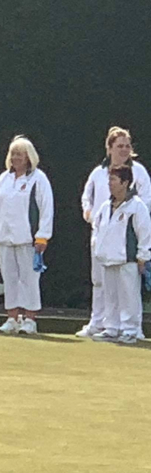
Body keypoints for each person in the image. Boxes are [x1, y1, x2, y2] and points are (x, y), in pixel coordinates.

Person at [77, 127, 151, 337]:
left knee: (127, 288)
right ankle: (101, 324)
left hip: (126, 239)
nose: (125, 150)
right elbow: (87, 197)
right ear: (109, 148)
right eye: (120, 146)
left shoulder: (139, 173)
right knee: (100, 283)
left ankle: (131, 329)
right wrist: (90, 214)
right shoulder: (98, 173)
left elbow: (145, 203)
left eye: (127, 146)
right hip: (101, 238)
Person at [0, 135, 54, 335]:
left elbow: (46, 209)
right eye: (13, 154)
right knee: (10, 279)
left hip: (28, 240)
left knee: (30, 280)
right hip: (5, 238)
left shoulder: (38, 179)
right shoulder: (3, 179)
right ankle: (12, 318)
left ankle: (30, 320)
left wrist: (42, 236)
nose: (15, 158)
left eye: (20, 155)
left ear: (29, 157)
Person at [88, 165, 151, 343]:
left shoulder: (137, 207)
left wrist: (142, 256)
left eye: (113, 180)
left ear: (125, 183)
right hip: (108, 259)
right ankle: (112, 328)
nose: (110, 184)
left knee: (129, 296)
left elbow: (144, 233)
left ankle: (131, 330)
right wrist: (98, 248)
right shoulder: (106, 206)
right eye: (109, 180)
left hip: (128, 259)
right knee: (111, 296)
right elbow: (97, 228)